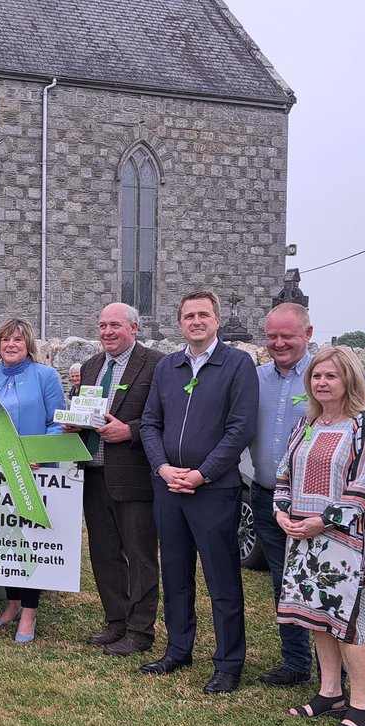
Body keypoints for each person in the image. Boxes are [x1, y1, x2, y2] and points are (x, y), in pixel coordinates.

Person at [139, 290, 258, 692]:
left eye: (203, 315)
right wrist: (163, 467)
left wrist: (203, 473)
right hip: (168, 487)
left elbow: (240, 427)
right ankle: (178, 648)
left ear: (217, 320)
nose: (196, 321)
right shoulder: (168, 367)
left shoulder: (238, 364)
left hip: (214, 490)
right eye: (189, 315)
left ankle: (228, 663)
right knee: (175, 572)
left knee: (221, 579)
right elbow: (149, 423)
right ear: (180, 323)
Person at [274, 347, 365, 726]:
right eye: (317, 377)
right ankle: (329, 691)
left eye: (331, 376)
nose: (322, 383)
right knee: (316, 616)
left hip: (344, 541)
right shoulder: (307, 425)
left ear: (349, 380)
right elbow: (283, 476)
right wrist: (282, 513)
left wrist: (324, 521)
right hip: (301, 536)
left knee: (350, 623)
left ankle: (361, 703)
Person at [64, 302, 164, 657]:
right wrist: (73, 421)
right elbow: (83, 410)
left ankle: (140, 631)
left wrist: (130, 431)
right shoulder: (91, 366)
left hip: (133, 476)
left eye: (115, 326)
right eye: (102, 325)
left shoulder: (155, 364)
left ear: (134, 328)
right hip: (93, 472)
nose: (107, 332)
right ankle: (116, 621)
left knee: (139, 556)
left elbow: (163, 417)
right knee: (104, 554)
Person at [0, 317, 67, 643]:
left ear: (28, 345)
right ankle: (12, 604)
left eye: (18, 340)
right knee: (4, 535)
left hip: (33, 470)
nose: (11, 345)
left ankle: (30, 612)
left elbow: (57, 421)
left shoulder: (46, 376)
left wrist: (40, 451)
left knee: (29, 539)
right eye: (6, 339)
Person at [249, 302, 316, 686]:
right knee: (283, 582)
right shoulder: (256, 377)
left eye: (287, 336)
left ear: (307, 334)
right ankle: (296, 662)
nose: (278, 343)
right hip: (267, 496)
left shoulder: (327, 376)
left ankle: (334, 671)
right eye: (272, 336)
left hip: (315, 505)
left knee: (318, 584)